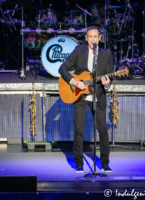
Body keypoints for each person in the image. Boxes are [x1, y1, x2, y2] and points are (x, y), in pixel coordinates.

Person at [59, 26, 113, 173]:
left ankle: (105, 163)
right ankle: (79, 164)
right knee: (79, 131)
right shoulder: (79, 51)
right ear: (86, 38)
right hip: (80, 95)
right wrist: (74, 82)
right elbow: (62, 69)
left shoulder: (106, 55)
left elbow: (110, 76)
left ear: (99, 38)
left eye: (95, 36)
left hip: (98, 96)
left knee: (103, 130)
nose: (92, 39)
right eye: (90, 37)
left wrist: (108, 83)